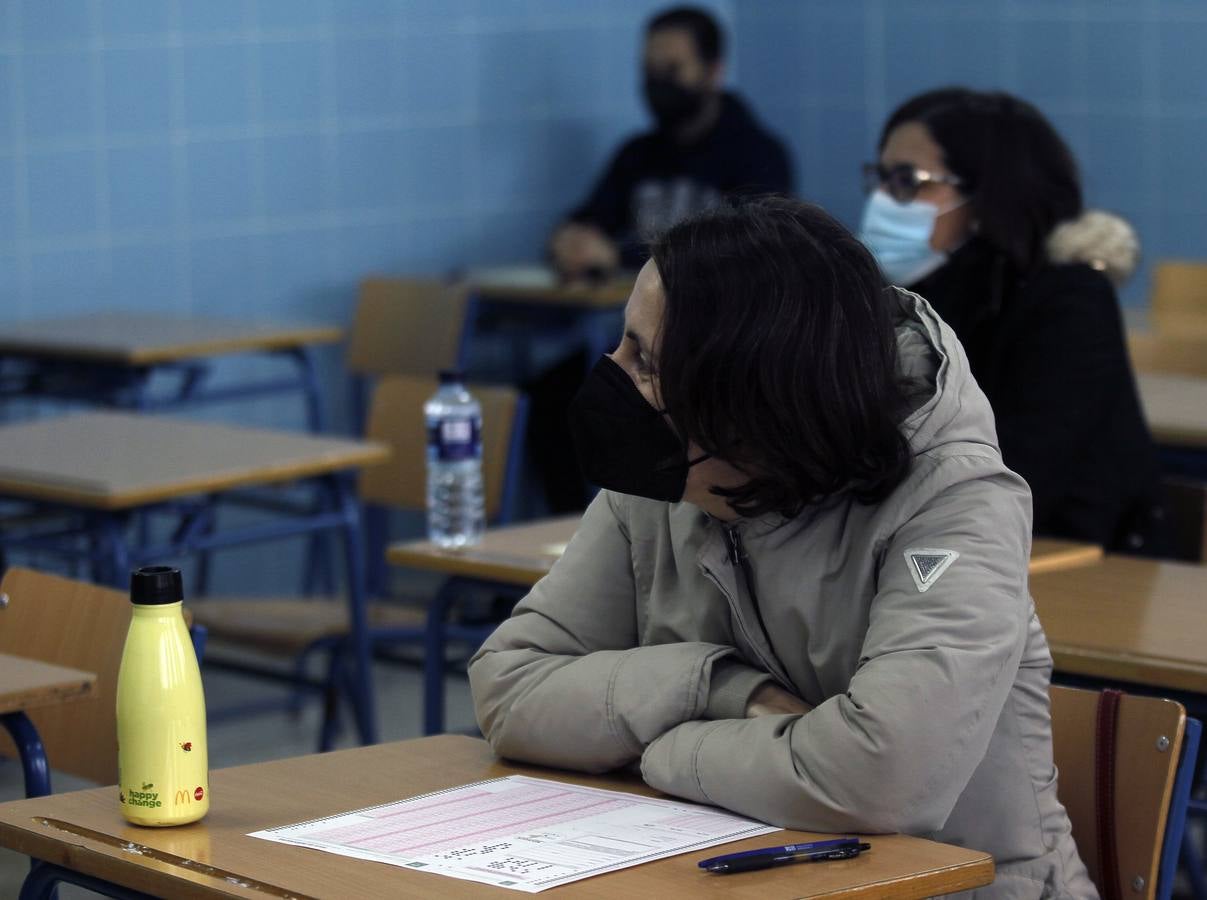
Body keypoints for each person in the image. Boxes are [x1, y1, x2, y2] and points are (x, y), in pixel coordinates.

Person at [471, 197, 1096, 898]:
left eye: (645, 359)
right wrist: (718, 688)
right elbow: (508, 686)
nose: (613, 374)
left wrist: (654, 748)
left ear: (746, 399)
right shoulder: (658, 484)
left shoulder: (952, 498)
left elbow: (881, 780)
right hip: (727, 871)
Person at [858, 87, 1162, 554]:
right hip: (949, 538)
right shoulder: (908, 298)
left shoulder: (1069, 297)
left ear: (986, 196)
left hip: (1073, 550)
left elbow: (1024, 469)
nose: (884, 198)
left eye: (908, 179)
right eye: (880, 177)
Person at [549, 5, 794, 280]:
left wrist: (619, 256)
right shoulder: (636, 154)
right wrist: (569, 243)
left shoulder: (760, 156)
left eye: (672, 69)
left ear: (713, 71)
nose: (658, 83)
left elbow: (748, 251)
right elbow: (592, 218)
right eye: (649, 70)